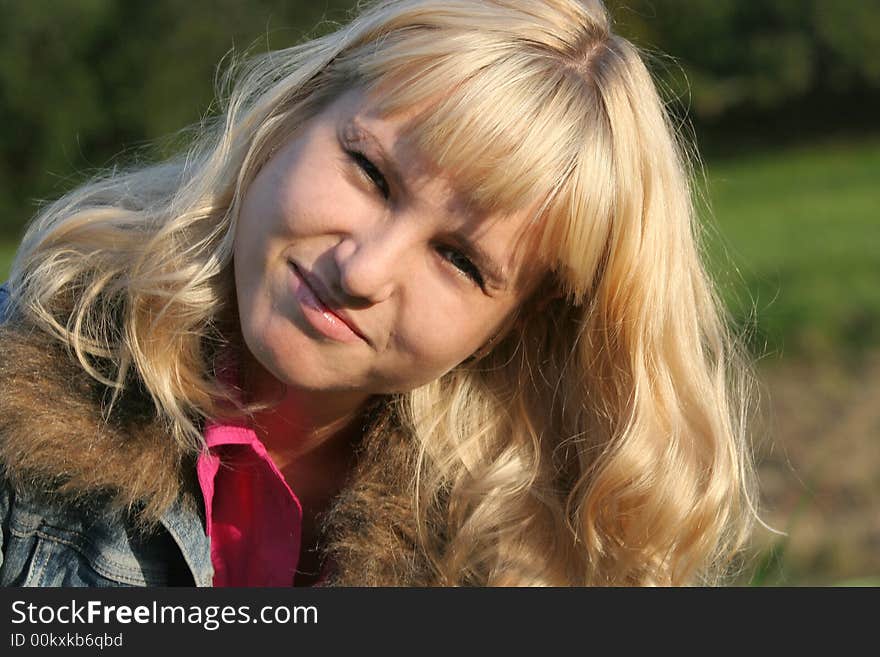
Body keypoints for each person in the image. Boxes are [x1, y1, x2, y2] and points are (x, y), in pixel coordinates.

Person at [0, 0, 758, 587]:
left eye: (460, 260)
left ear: (513, 325)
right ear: (295, 115)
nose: (361, 271)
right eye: (369, 173)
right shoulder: (21, 379)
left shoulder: (515, 555)